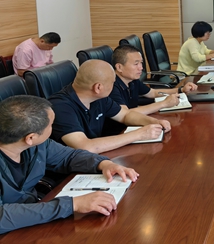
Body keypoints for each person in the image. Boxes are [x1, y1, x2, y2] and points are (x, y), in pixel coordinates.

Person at [0, 95, 139, 234]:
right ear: (30, 137)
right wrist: (73, 204)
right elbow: (2, 216)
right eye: (50, 125)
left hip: (35, 218)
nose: (52, 128)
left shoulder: (37, 145)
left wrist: (104, 164)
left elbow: (69, 156)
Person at [49, 59, 171, 154]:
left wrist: (154, 122)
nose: (113, 86)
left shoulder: (98, 97)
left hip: (97, 158)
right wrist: (139, 134)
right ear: (98, 87)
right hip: (71, 171)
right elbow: (85, 146)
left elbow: (125, 115)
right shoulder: (60, 106)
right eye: (112, 83)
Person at [110, 44, 198, 114]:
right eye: (136, 64)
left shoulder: (132, 80)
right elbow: (125, 114)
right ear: (119, 67)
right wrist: (164, 104)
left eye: (141, 63)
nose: (141, 68)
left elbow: (152, 93)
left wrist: (181, 90)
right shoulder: (111, 86)